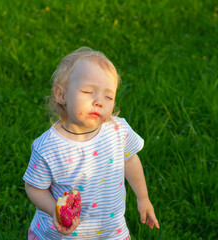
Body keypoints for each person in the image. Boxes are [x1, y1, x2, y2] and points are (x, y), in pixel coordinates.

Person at [23, 47, 159, 239]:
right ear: (61, 95)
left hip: (111, 231)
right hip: (61, 234)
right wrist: (55, 211)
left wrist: (143, 198)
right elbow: (35, 188)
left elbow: (130, 160)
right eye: (88, 91)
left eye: (108, 96)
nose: (99, 102)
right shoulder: (48, 146)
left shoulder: (117, 131)